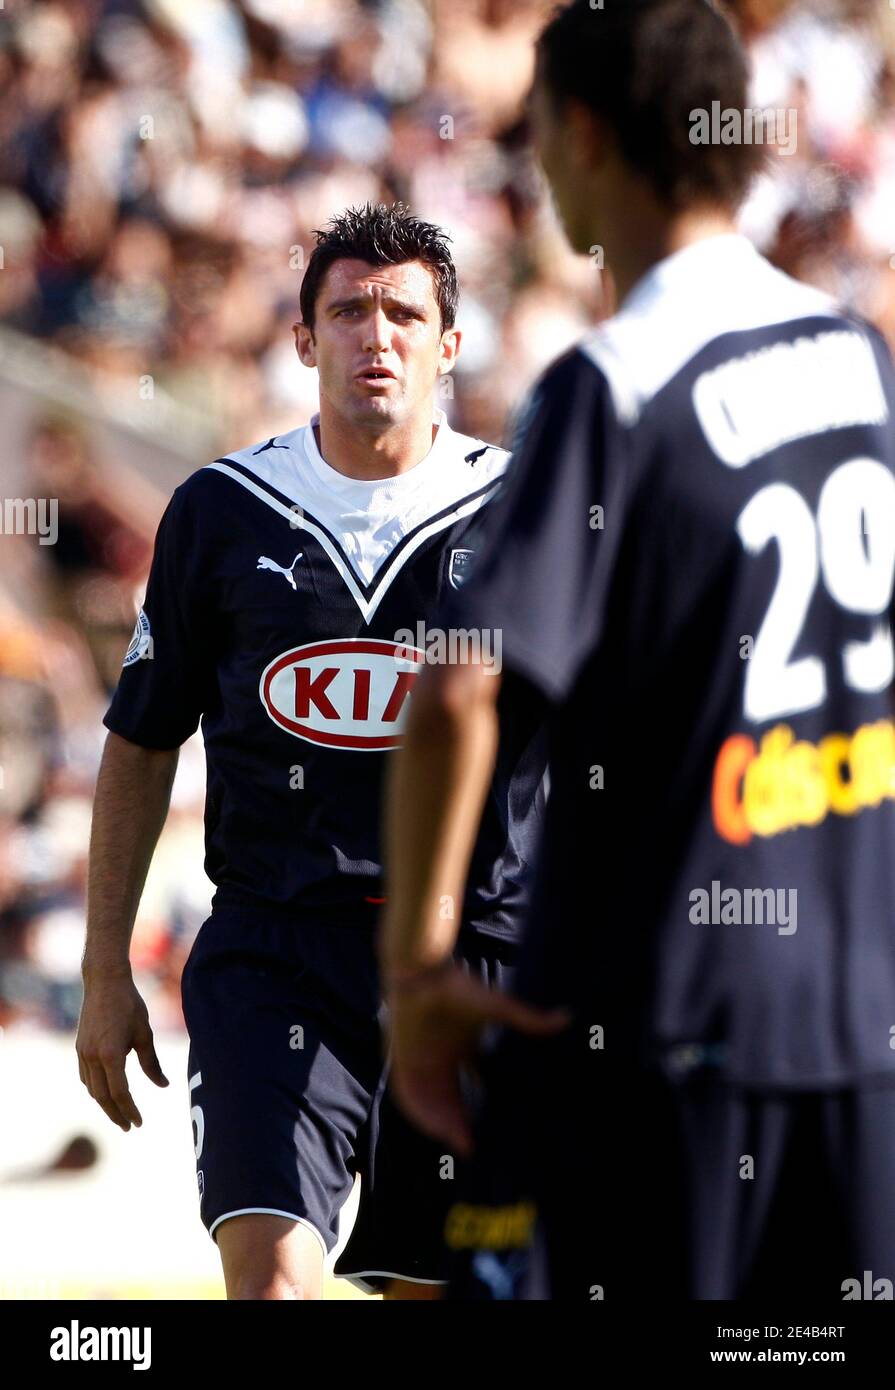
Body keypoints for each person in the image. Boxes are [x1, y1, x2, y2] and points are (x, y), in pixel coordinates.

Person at [380, 0, 895, 1301]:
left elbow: (459, 683)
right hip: (848, 1032)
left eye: (538, 129)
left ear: (591, 136)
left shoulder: (613, 382)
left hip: (644, 1039)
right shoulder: (857, 365)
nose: (532, 163)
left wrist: (416, 971)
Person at [76, 202, 547, 1300]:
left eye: (402, 314)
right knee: (269, 1279)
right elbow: (141, 741)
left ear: (450, 344)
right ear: (302, 339)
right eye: (346, 312)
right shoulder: (222, 513)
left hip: (473, 954)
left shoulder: (531, 514)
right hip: (277, 950)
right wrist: (107, 968)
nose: (373, 337)